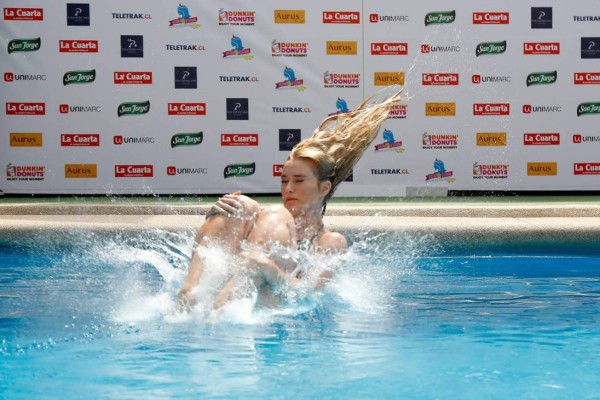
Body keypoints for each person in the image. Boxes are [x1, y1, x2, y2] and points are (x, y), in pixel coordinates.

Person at [178, 87, 404, 310]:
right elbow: (224, 256)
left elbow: (307, 295)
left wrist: (269, 269)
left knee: (273, 218)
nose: (288, 188)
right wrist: (217, 215)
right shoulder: (264, 221)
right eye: (284, 180)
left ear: (324, 188)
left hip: (262, 314)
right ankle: (188, 299)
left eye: (298, 181)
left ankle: (220, 311)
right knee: (241, 205)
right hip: (224, 293)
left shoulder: (328, 242)